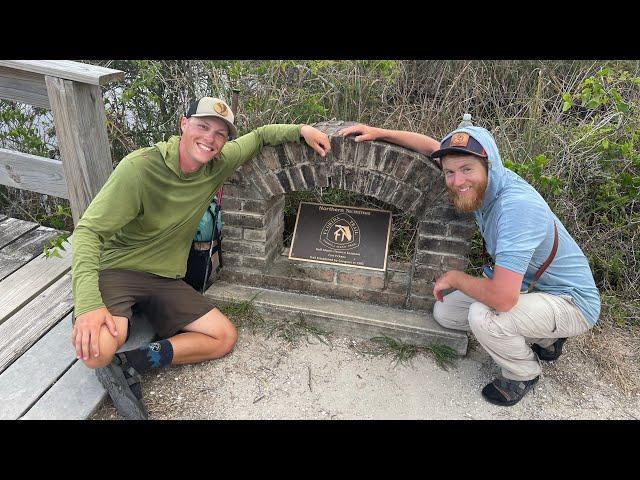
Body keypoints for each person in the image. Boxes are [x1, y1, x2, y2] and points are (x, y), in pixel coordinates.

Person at [71, 97, 331, 419]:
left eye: (220, 134)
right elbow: (87, 232)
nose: (210, 138)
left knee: (223, 337)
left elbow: (261, 136)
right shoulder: (139, 168)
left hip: (164, 277)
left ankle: (134, 363)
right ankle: (108, 328)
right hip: (119, 267)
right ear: (184, 123)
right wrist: (87, 304)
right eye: (203, 126)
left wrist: (302, 130)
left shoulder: (217, 163)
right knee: (98, 350)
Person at [338, 119, 600, 406]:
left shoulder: (516, 209)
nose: (457, 181)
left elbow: (501, 298)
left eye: (466, 170)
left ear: (489, 165)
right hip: (527, 286)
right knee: (446, 312)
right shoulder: (483, 181)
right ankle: (548, 339)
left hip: (570, 301)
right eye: (450, 172)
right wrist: (380, 133)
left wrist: (456, 278)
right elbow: (431, 147)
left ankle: (523, 372)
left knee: (482, 316)